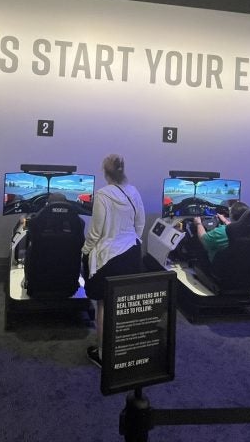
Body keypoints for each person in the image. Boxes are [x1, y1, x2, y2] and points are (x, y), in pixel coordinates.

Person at [82, 154, 145, 368]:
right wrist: (132, 241)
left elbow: (95, 232)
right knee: (123, 304)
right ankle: (122, 349)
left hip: (108, 257)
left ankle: (103, 354)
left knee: (103, 305)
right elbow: (140, 223)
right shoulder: (133, 191)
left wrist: (85, 251)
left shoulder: (102, 195)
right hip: (131, 253)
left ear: (105, 172)